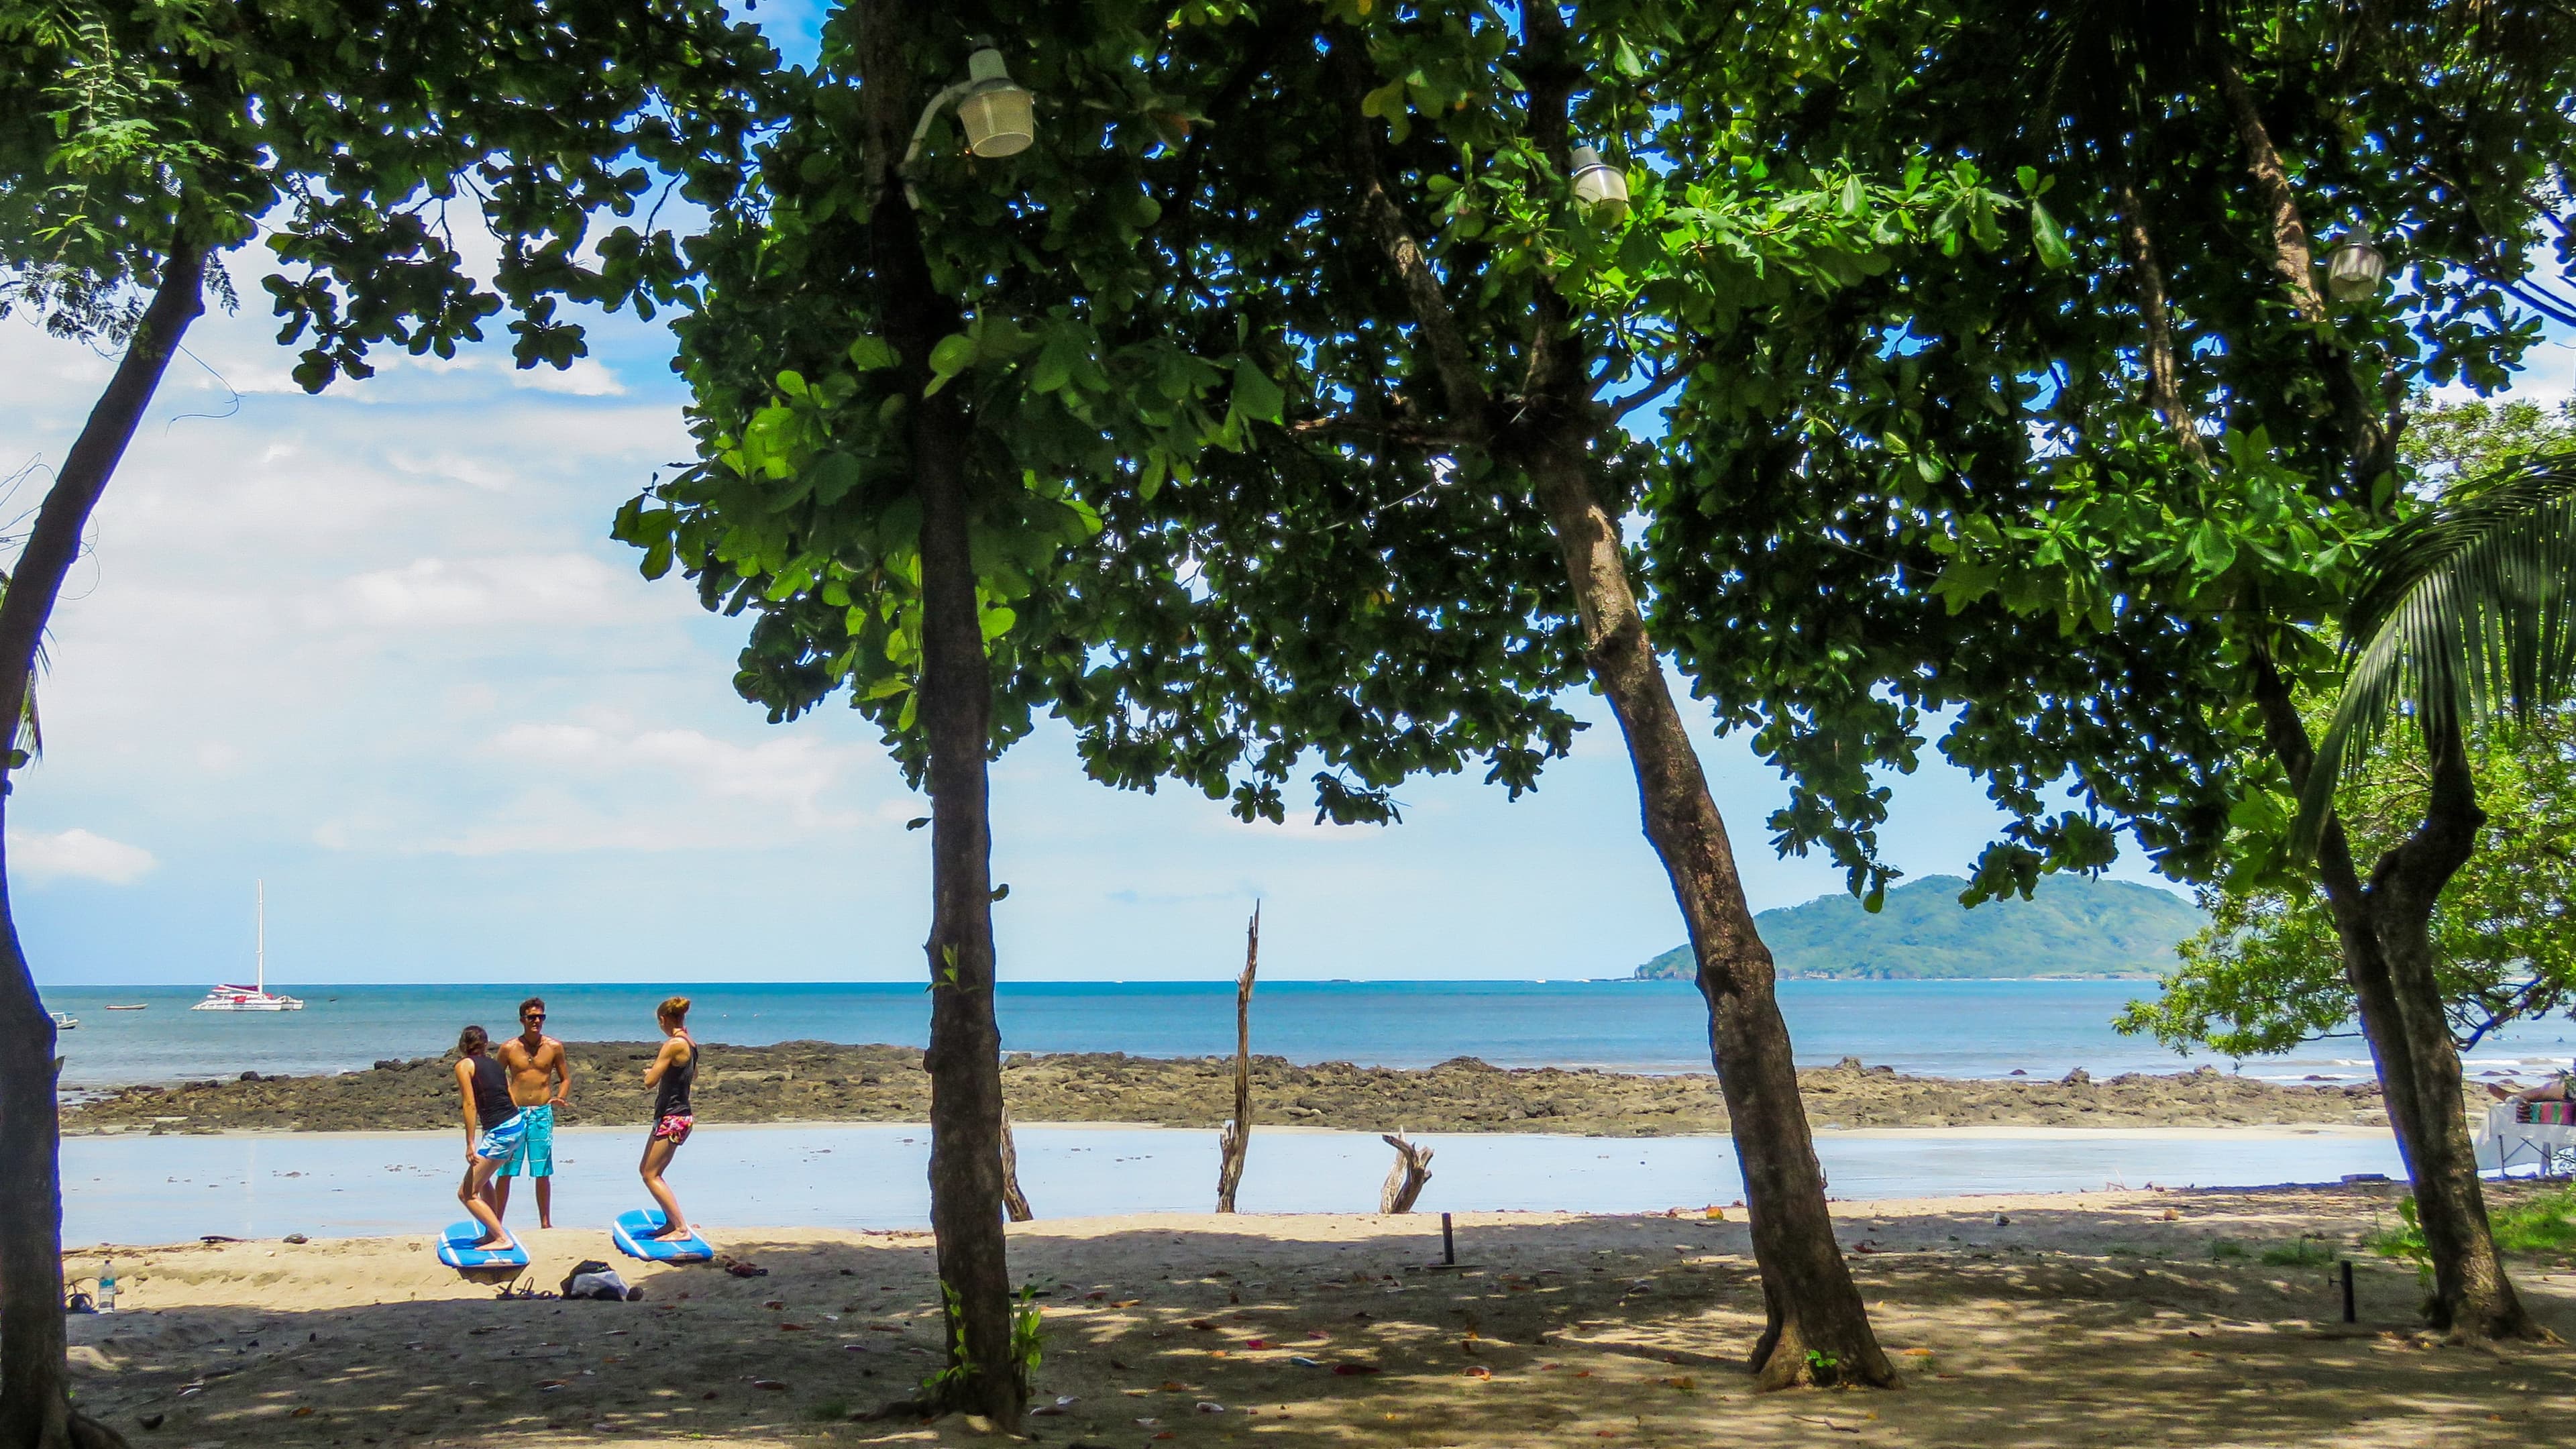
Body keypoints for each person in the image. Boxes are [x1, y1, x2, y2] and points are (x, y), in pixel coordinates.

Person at [491, 997, 572, 1228]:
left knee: (542, 1170)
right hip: (514, 1115)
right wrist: (506, 1101)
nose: (537, 1021)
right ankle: (496, 1222)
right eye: (532, 1017)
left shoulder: (554, 1047)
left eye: (540, 1017)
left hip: (541, 1113)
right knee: (505, 1169)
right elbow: (498, 1077)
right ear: (522, 1020)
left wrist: (561, 1096)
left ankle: (545, 1223)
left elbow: (565, 1077)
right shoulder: (509, 1048)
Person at [450, 1025, 522, 1251]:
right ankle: (491, 1233)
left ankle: (502, 1237)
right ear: (486, 1044)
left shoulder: (464, 1065)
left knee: (466, 1192)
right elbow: (510, 1096)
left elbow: (469, 1104)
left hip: (502, 1131)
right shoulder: (495, 1065)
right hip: (515, 1125)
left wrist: (470, 1143)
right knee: (484, 1181)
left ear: (462, 1045)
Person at [639, 996, 698, 1239]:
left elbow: (649, 1082)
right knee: (649, 1171)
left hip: (673, 1117)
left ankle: (681, 1228)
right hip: (680, 1116)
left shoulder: (673, 1044)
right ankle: (670, 1223)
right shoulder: (690, 1043)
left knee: (650, 1174)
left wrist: (652, 1072)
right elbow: (691, 1076)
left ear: (663, 1020)